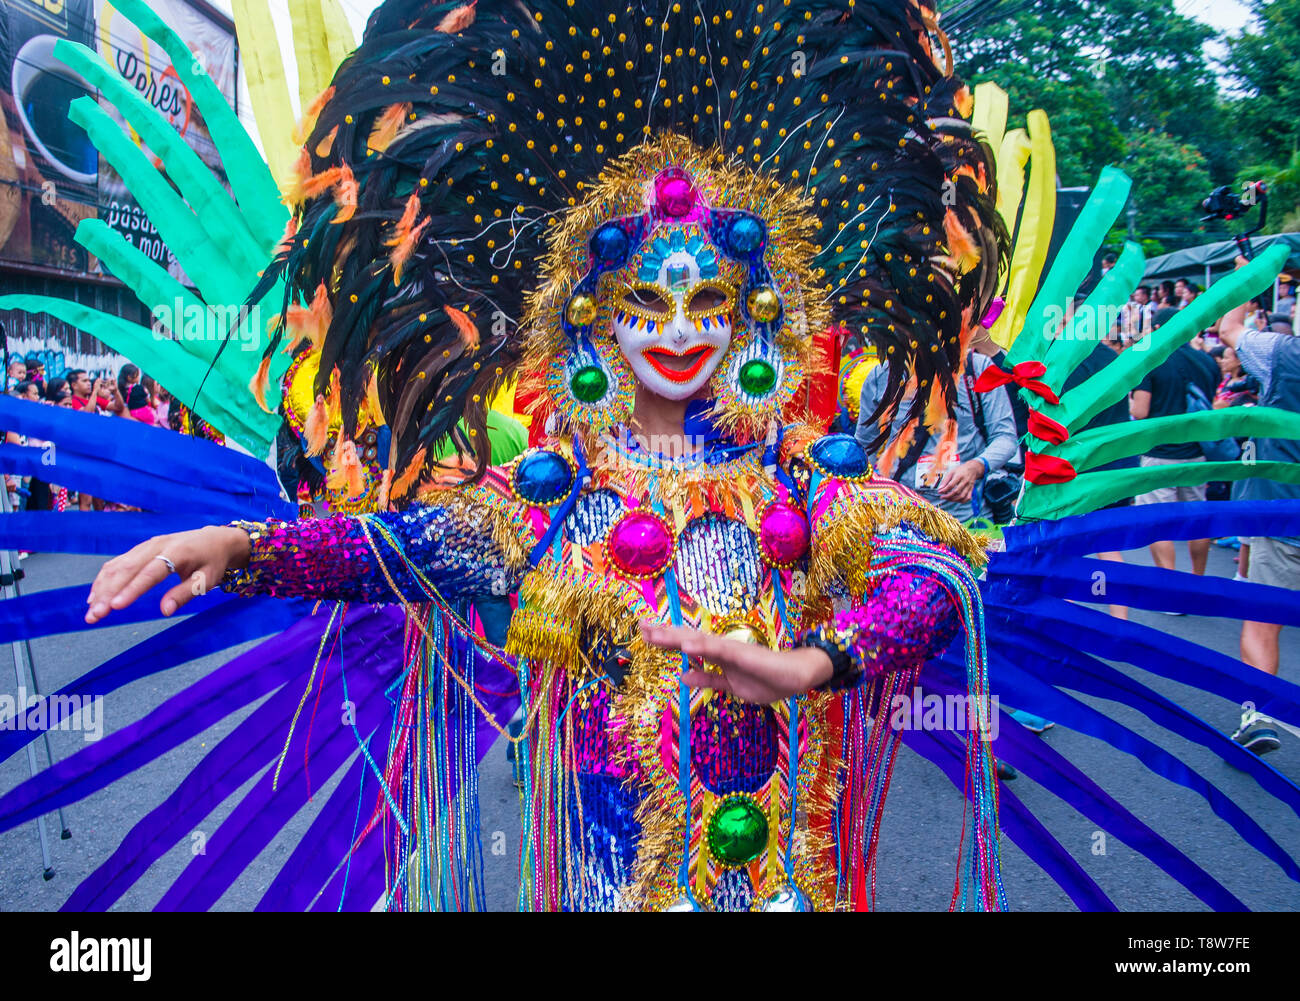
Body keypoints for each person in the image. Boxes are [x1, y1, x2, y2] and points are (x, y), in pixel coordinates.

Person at [78, 0, 1015, 913]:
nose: (679, 331)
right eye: (648, 303)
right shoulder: (551, 500)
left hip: (774, 885)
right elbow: (389, 550)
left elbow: (936, 569)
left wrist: (819, 662)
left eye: (710, 304)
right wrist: (242, 545)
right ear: (598, 316)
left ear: (749, 317)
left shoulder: (805, 479)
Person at [1217, 265, 1300, 754]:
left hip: (1281, 514)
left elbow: (1229, 328)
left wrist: (1247, 277)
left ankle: (1259, 716)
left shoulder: (1284, 354)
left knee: (1262, 619)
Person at [856, 349, 1019, 523]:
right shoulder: (881, 375)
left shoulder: (976, 368)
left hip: (969, 523)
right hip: (901, 522)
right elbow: (864, 447)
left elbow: (1005, 437)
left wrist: (976, 467)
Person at [1129, 306, 1220, 580]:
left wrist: (1128, 399)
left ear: (1158, 329)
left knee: (1154, 521)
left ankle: (1170, 585)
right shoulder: (1206, 361)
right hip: (1196, 453)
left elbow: (1140, 412)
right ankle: (1197, 580)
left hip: (1159, 454)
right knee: (1197, 522)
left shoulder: (1152, 360)